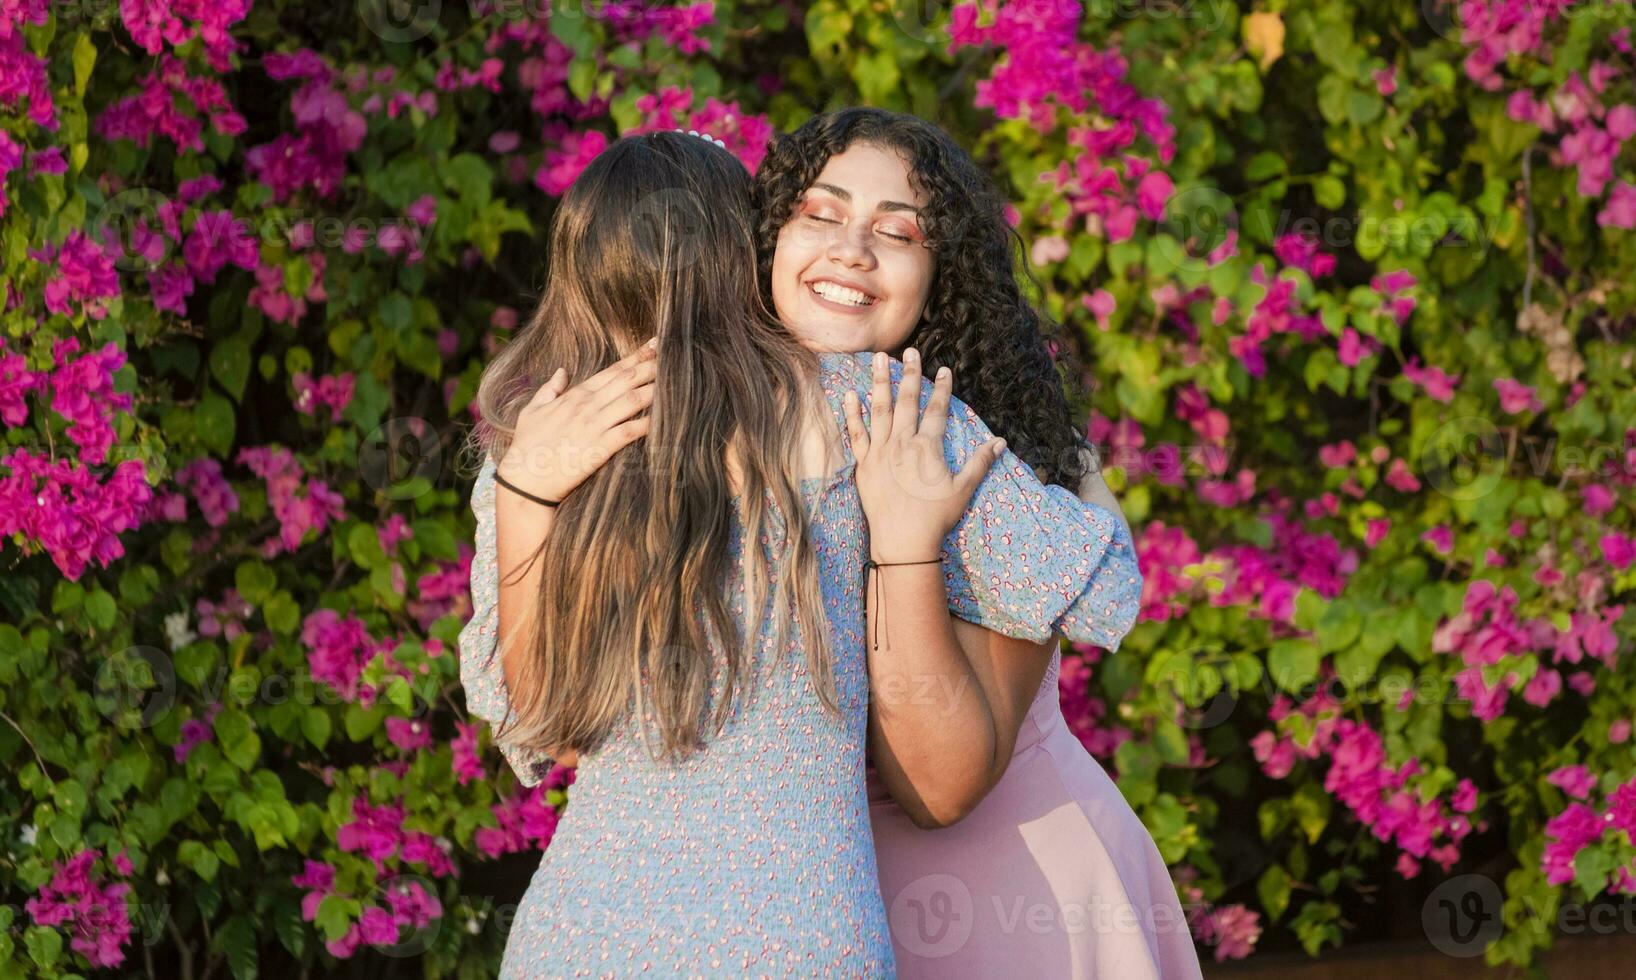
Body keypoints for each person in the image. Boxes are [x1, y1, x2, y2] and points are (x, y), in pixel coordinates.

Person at [458, 129, 1143, 976]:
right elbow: (1104, 586)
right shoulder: (876, 406)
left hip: (580, 938)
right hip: (800, 940)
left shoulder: (541, 442)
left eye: (895, 230)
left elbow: (540, 724)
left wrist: (525, 495)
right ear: (748, 253)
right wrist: (1071, 461)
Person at [753, 107, 1202, 978]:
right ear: (769, 237)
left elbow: (942, 788)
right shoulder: (718, 429)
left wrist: (905, 538)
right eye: (819, 212)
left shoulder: (995, 454)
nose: (852, 248)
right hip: (805, 903)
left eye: (899, 231)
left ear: (940, 277)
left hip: (1007, 901)